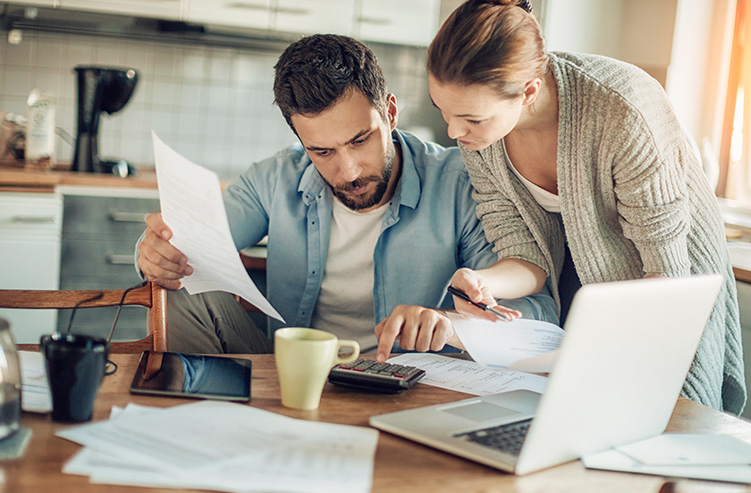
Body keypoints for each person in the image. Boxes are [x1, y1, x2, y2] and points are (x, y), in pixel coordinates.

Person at [136, 34, 558, 361]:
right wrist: (157, 253)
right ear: (300, 140)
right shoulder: (275, 178)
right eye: (323, 152)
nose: (349, 171)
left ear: (390, 113)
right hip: (288, 372)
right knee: (177, 284)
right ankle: (199, 424)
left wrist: (451, 325)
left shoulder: (461, 183)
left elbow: (537, 314)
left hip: (406, 383)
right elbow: (189, 243)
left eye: (360, 140)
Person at [426, 0, 746, 414]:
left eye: (470, 118)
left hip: (664, 279)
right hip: (583, 282)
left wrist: (595, 344)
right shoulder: (482, 137)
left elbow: (666, 276)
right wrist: (484, 282)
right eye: (444, 112)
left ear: (528, 92)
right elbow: (525, 255)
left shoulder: (622, 109)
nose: (454, 132)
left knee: (662, 417)